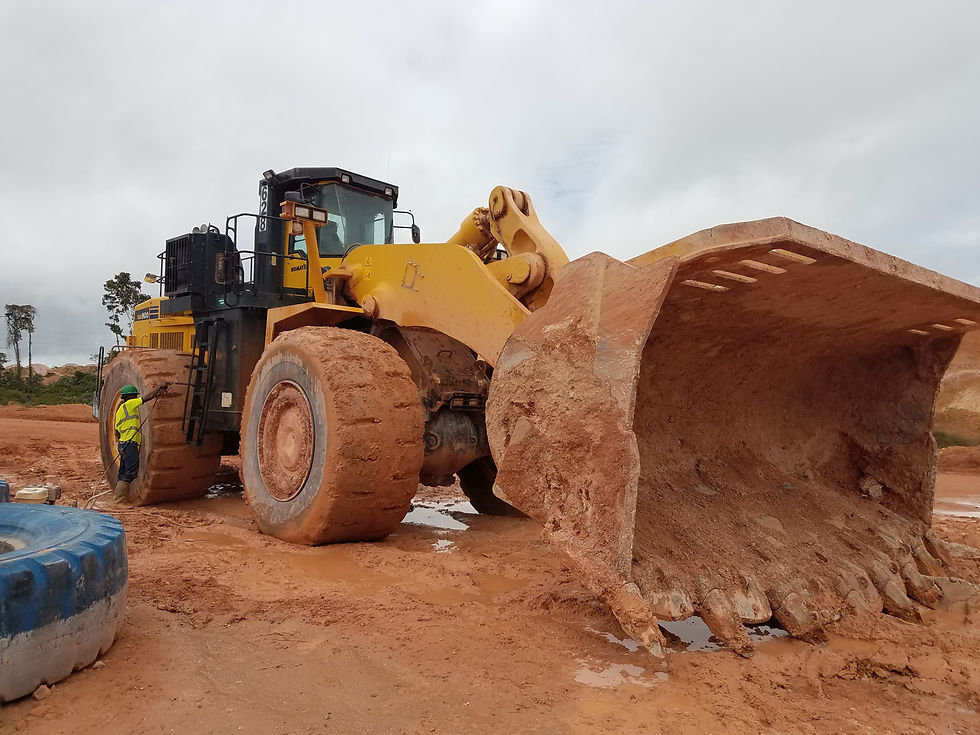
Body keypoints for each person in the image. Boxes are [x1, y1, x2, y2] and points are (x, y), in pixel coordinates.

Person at [113, 382, 169, 504]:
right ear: (128, 397)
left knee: (123, 471)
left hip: (123, 444)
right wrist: (159, 388)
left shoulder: (120, 411)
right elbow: (146, 398)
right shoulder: (129, 404)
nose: (135, 397)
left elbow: (117, 431)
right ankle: (120, 500)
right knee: (131, 472)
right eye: (134, 395)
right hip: (130, 444)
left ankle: (119, 499)